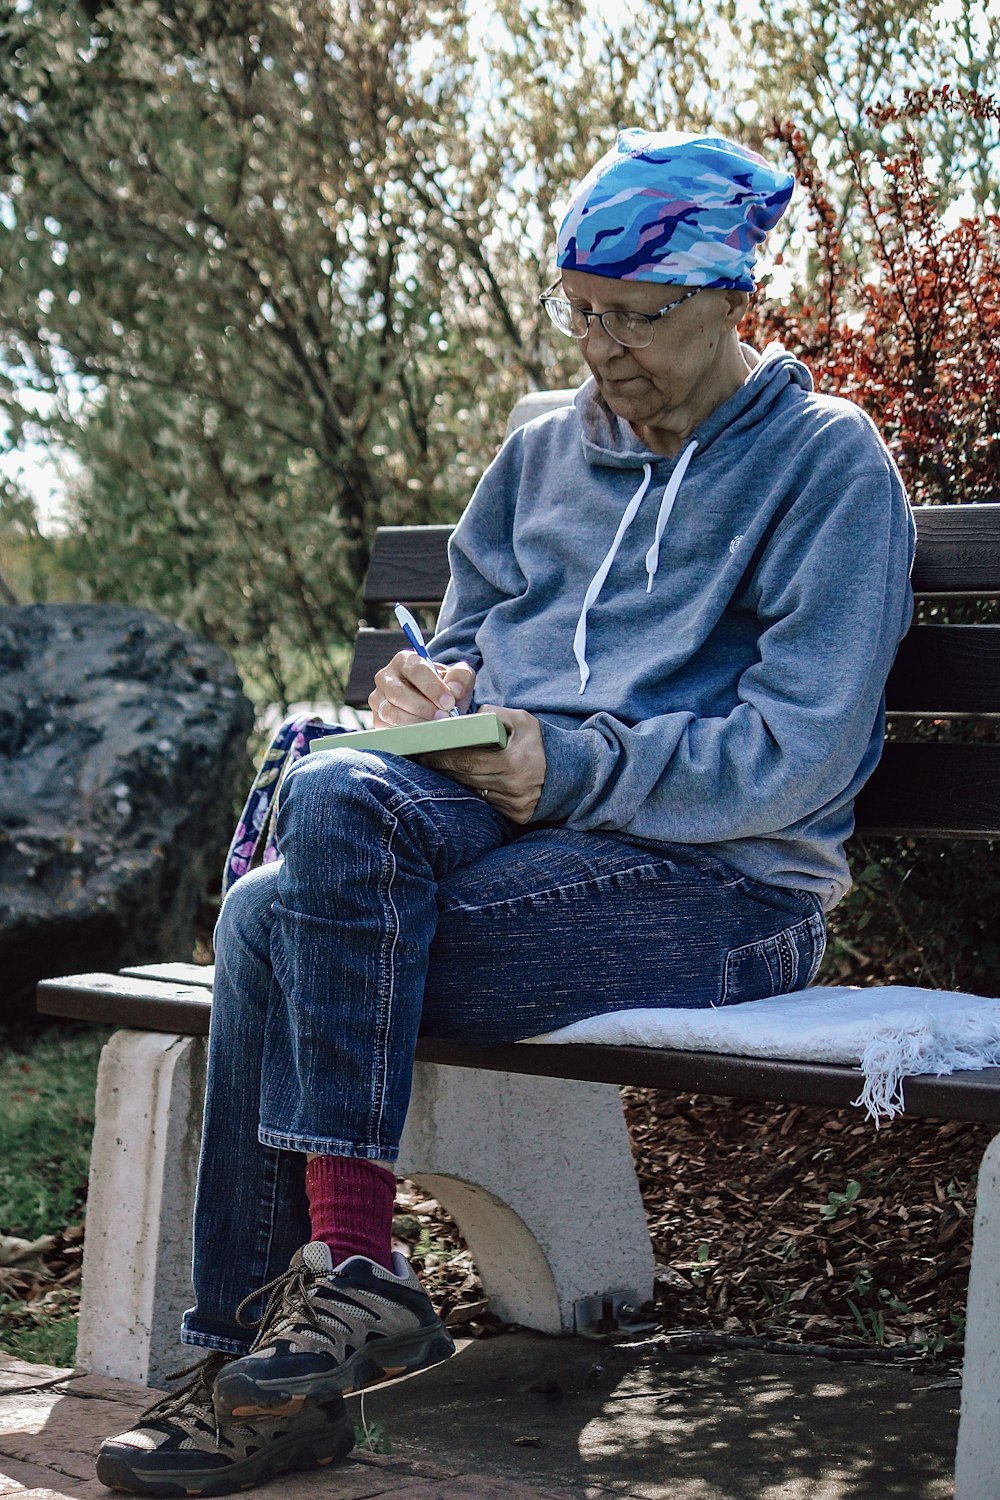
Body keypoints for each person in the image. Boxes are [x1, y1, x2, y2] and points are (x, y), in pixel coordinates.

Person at [96, 128, 915, 1495]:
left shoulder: (828, 466)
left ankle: (263, 1359)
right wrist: (438, 688)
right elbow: (474, 633)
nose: (604, 350)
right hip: (507, 826)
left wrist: (575, 772)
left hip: (723, 892)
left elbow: (801, 754)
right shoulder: (543, 448)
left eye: (640, 319)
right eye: (581, 314)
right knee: (343, 784)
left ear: (731, 299)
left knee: (267, 920)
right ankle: (346, 1289)